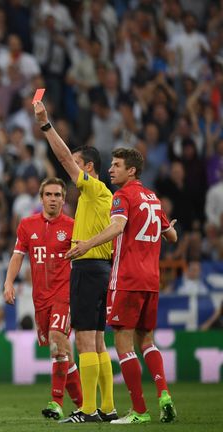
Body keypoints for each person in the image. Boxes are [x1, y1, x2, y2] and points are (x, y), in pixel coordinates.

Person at [67, 148, 178, 424]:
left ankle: (139, 411)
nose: (111, 170)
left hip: (127, 279)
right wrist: (165, 228)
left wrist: (86, 245)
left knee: (123, 343)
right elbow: (172, 236)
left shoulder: (122, 196)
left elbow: (117, 227)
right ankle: (164, 394)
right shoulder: (153, 198)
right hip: (152, 281)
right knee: (147, 341)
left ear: (132, 171)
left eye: (117, 166)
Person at [34, 100, 116, 423]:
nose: (73, 170)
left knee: (83, 341)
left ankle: (87, 409)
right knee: (97, 341)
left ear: (89, 169)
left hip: (87, 268)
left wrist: (45, 125)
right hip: (102, 268)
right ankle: (107, 408)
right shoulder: (104, 197)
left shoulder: (94, 189)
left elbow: (64, 158)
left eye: (80, 165)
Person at [3, 178, 83, 420]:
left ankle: (56, 402)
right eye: (48, 194)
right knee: (60, 352)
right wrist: (8, 282)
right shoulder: (27, 225)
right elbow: (17, 256)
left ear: (63, 199)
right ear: (41, 198)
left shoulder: (73, 226)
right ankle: (84, 404)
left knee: (59, 341)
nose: (53, 199)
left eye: (58, 195)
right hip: (41, 299)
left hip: (64, 294)